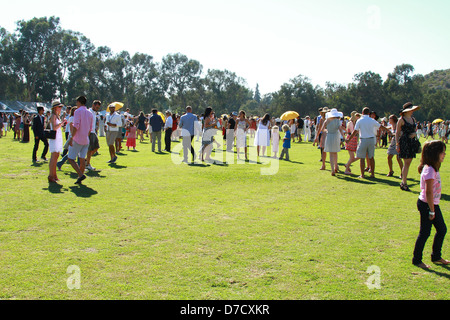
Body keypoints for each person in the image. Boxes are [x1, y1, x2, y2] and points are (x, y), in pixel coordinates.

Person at [412, 140, 449, 269]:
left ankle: (436, 256)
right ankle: (417, 260)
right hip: (427, 204)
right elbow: (428, 192)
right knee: (425, 232)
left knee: (442, 229)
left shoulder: (433, 168)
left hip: (432, 204)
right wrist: (432, 210)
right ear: (435, 154)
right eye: (442, 152)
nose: (444, 154)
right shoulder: (429, 170)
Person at [346, 107, 388, 179]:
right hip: (371, 139)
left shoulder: (359, 120)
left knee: (362, 158)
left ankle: (362, 175)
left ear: (362, 113)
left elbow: (355, 131)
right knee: (371, 157)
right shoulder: (372, 120)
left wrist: (349, 139)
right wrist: (388, 131)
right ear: (369, 113)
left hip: (363, 140)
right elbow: (381, 126)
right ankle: (372, 174)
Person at [67, 96, 93, 184]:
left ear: (79, 102)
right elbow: (90, 128)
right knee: (82, 159)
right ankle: (79, 178)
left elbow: (76, 126)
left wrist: (71, 137)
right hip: (86, 139)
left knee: (70, 158)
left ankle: (80, 174)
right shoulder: (90, 113)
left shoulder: (78, 111)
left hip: (78, 138)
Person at [396, 102, 421, 191]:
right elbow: (397, 133)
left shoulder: (413, 119)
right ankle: (404, 182)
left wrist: (415, 134)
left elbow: (415, 130)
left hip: (411, 142)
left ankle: (403, 181)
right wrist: (397, 144)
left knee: (408, 163)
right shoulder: (401, 120)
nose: (412, 111)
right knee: (406, 163)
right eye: (411, 110)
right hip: (404, 142)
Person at [323, 108, 345, 176]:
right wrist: (344, 137)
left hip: (329, 136)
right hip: (335, 136)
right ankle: (336, 166)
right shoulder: (338, 121)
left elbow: (322, 129)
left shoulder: (327, 121)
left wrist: (327, 131)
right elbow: (340, 130)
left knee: (331, 153)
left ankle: (333, 169)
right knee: (335, 152)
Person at [47, 101, 64, 183]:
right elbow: (54, 127)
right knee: (54, 157)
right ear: (55, 108)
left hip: (57, 137)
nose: (60, 108)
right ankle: (51, 175)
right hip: (54, 138)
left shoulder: (57, 116)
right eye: (59, 107)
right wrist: (62, 123)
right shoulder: (53, 116)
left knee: (56, 156)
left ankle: (54, 175)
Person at [86, 100, 101, 171]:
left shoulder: (95, 113)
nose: (97, 109)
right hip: (89, 132)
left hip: (93, 132)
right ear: (93, 105)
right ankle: (87, 164)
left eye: (98, 108)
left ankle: (86, 160)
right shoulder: (89, 112)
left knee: (96, 148)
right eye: (96, 107)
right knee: (89, 149)